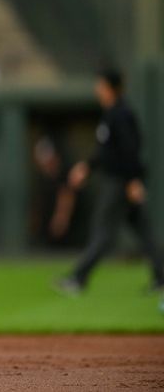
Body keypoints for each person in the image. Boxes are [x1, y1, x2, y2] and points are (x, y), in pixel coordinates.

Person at [56, 69, 164, 294]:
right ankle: (162, 277)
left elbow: (130, 149)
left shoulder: (121, 114)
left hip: (120, 182)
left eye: (100, 85)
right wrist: (87, 167)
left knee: (103, 231)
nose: (97, 90)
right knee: (143, 230)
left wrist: (133, 180)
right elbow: (106, 152)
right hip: (122, 179)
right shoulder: (112, 113)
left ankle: (78, 278)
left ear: (109, 88)